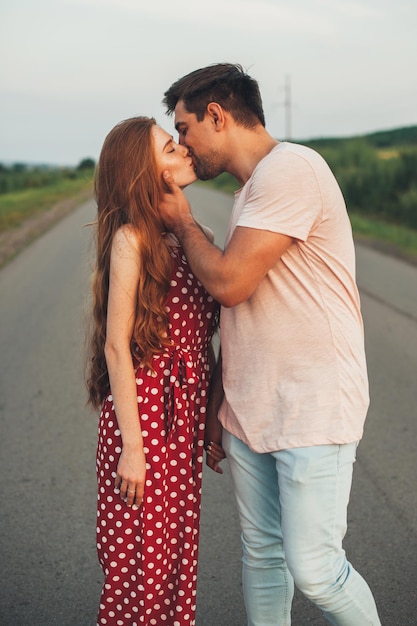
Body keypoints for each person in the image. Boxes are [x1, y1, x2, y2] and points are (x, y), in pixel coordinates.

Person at [158, 63, 381, 625]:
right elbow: (255, 311)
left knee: (316, 569)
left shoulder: (292, 169)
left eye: (183, 130)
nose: (183, 146)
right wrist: (219, 406)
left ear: (216, 115)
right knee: (264, 557)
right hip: (252, 408)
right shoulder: (251, 190)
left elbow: (231, 285)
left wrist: (184, 225)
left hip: (311, 403)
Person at [86, 116, 219, 626]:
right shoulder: (131, 240)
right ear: (147, 172)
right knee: (138, 563)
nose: (184, 150)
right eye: (170, 147)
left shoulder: (193, 236)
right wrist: (133, 450)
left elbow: (206, 342)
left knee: (175, 560)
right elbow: (116, 347)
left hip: (181, 423)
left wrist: (208, 419)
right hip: (141, 424)